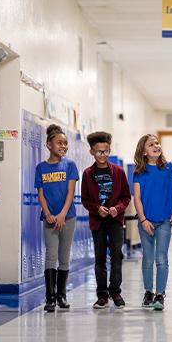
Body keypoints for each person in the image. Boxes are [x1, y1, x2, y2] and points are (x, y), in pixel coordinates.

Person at [81, 131, 131, 309]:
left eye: (106, 151)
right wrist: (97, 209)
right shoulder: (87, 174)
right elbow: (85, 199)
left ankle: (115, 292)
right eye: (99, 151)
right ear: (92, 152)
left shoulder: (118, 172)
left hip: (115, 220)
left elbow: (126, 197)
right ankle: (102, 295)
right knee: (100, 257)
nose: (103, 155)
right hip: (98, 221)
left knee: (116, 255)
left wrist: (116, 209)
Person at [133, 134, 172, 311]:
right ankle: (148, 292)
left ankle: (160, 294)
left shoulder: (169, 168)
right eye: (151, 144)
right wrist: (143, 219)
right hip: (146, 221)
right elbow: (136, 198)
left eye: (157, 143)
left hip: (164, 221)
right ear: (144, 152)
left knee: (161, 259)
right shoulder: (139, 172)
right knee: (148, 258)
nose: (156, 146)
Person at [35, 124, 79, 312]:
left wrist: (62, 214)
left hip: (67, 217)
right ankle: (50, 298)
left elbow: (70, 193)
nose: (63, 146)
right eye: (59, 143)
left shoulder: (69, 165)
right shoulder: (41, 167)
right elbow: (41, 193)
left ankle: (61, 295)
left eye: (66, 143)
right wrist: (47, 213)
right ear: (49, 145)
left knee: (64, 256)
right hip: (49, 219)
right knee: (50, 256)